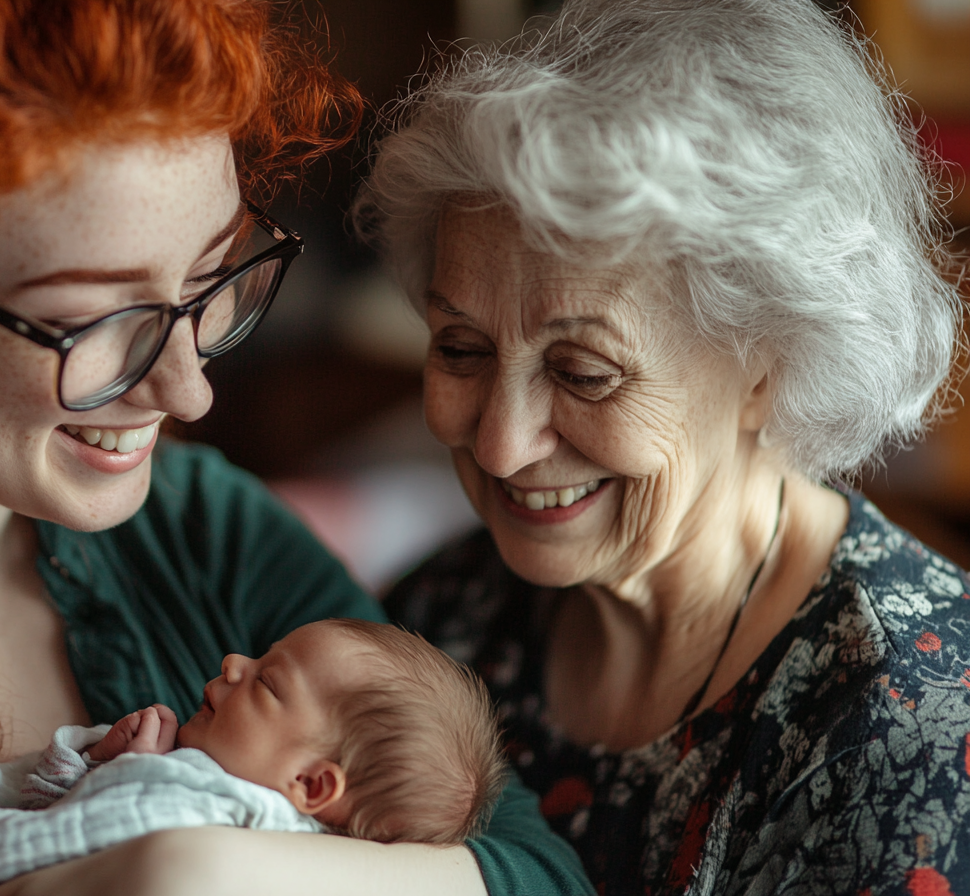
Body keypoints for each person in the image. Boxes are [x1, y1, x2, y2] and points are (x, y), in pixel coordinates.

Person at [0, 2, 595, 895]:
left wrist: (189, 864)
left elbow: (536, 872)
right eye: (97, 321)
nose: (188, 388)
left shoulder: (203, 530)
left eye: (212, 280)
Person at [355, 0, 969, 893]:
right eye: (461, 348)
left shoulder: (912, 733)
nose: (498, 444)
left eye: (584, 371)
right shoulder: (444, 620)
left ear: (768, 366)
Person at [0, 619, 509, 896]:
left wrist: (128, 776)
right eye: (259, 657)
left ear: (311, 784)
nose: (234, 662)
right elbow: (47, 813)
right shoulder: (187, 772)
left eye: (266, 683)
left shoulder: (270, 838)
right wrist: (98, 761)